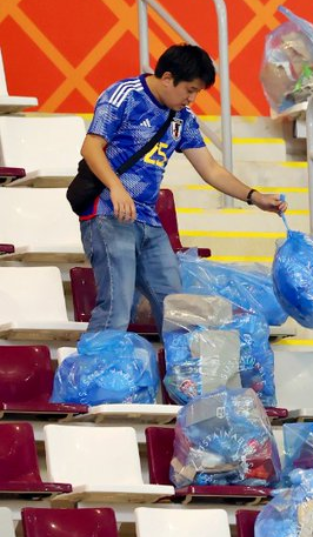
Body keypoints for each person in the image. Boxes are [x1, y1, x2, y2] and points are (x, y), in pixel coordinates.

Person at [77, 43, 287, 332]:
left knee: (177, 310)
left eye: (197, 92)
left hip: (148, 220)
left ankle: (183, 377)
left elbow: (210, 169)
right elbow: (91, 147)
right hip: (108, 213)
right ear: (167, 77)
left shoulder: (182, 118)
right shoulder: (124, 95)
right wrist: (116, 187)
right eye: (189, 89)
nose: (191, 99)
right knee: (117, 307)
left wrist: (254, 197)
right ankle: (98, 374)